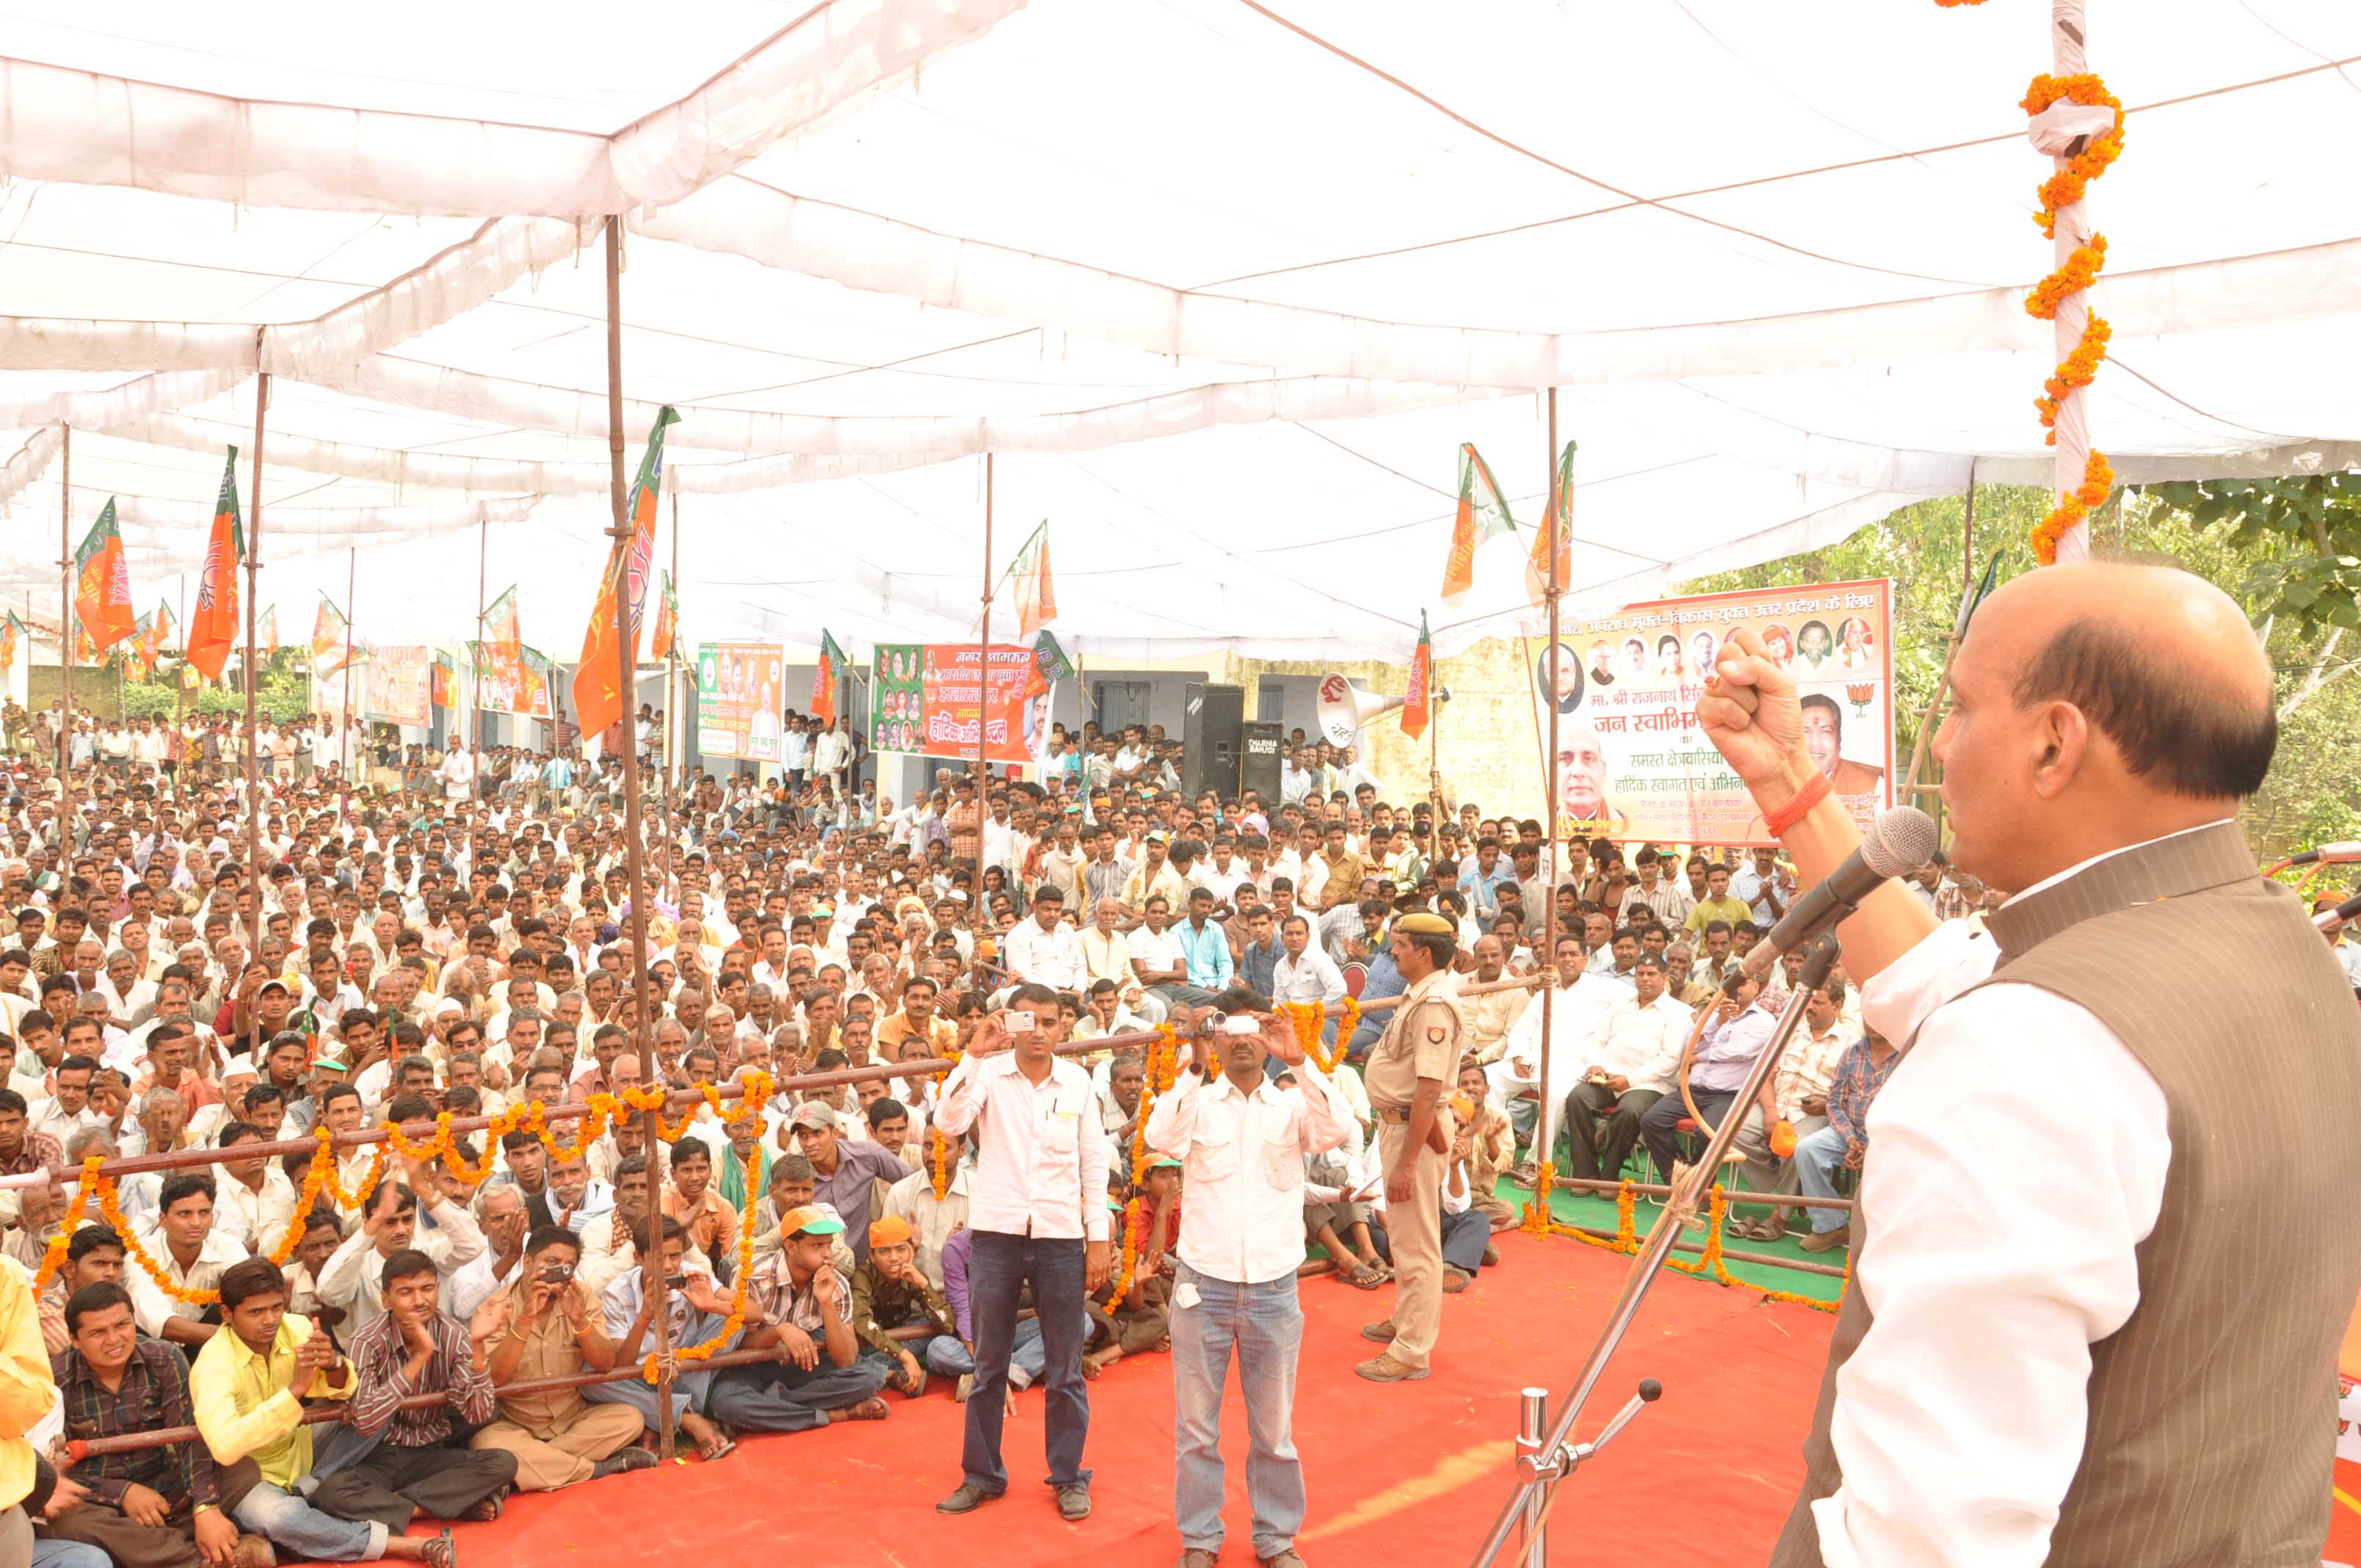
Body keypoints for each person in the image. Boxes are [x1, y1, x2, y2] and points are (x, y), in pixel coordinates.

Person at [1697, 564, 2361, 1565]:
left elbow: (1930, 1535)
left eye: (1961, 708)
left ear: (2055, 743)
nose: (1942, 744)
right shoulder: (2287, 955)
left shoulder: (2031, 1043)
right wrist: (1789, 781)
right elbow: (1939, 977)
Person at [1146, 995, 1343, 1568]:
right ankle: (1200, 1539)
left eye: (1252, 1034)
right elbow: (1162, 1136)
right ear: (1217, 1040)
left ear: (1266, 1040)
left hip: (1274, 1290)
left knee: (1274, 1430)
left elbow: (1335, 1131)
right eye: (1228, 1033)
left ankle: (1276, 1539)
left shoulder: (1290, 1106)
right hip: (1202, 1286)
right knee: (1195, 1430)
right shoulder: (1198, 1100)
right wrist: (1193, 1059)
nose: (1240, 1042)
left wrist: (1301, 1061)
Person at [930, 982, 1110, 1521]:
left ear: (1063, 1026)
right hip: (996, 1234)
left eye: (1050, 1022)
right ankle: (982, 1474)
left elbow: (1094, 1164)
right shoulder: (988, 1074)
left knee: (1066, 1366)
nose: (1040, 1032)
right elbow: (948, 1124)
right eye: (1028, 1021)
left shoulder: (1077, 1082)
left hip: (1060, 1236)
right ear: (1011, 1022)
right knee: (987, 1366)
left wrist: (1097, 1235)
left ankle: (1069, 1476)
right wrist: (972, 1053)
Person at [192, 1259, 455, 1567]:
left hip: (304, 1453)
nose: (270, 1320)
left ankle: (308, 1496)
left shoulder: (297, 1328)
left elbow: (343, 1390)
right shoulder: (214, 1364)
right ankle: (402, 1545)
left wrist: (333, 1366)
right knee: (278, 1517)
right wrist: (294, 1392)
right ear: (227, 1314)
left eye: (276, 1308)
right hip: (253, 1476)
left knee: (378, 1409)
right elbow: (225, 1447)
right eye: (256, 1312)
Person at [43, 1280, 266, 1568]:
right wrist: (122, 1493)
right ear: (74, 1339)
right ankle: (198, 1559)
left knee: (243, 1470)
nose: (114, 1340)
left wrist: (204, 1506)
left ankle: (147, 1546)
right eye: (98, 1332)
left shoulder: (163, 1357)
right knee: (63, 1521)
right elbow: (51, 1465)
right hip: (98, 1499)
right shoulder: (55, 1378)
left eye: (122, 1325)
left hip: (164, 1487)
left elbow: (189, 1437)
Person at [1354, 912, 1461, 1384]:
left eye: (1399, 945)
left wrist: (1407, 1162)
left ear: (1424, 953)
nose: (1391, 951)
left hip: (1413, 1131)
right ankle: (1405, 1320)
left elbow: (1427, 1090)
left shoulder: (1434, 1004)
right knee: (1404, 1235)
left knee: (1416, 1243)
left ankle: (1413, 1351)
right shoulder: (1422, 994)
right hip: (1400, 1126)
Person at [467, 1225, 656, 1490]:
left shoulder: (581, 1297)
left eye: (568, 1266)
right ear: (528, 1262)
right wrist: (525, 1319)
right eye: (552, 1263)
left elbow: (605, 1364)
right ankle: (596, 1469)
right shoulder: (496, 1308)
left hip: (574, 1420)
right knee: (488, 1443)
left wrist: (580, 1321)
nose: (560, 1273)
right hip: (517, 1424)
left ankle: (528, 1468)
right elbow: (495, 1378)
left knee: (630, 1419)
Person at [708, 1205, 890, 1433]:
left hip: (802, 1366)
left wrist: (827, 1304)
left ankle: (769, 1405)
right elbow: (739, 1345)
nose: (827, 1254)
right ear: (791, 1246)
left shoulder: (836, 1282)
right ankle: (834, 1415)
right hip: (752, 1368)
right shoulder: (752, 1276)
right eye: (817, 1246)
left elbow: (847, 1359)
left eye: (828, 1245)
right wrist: (779, 1331)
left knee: (867, 1377)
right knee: (726, 1402)